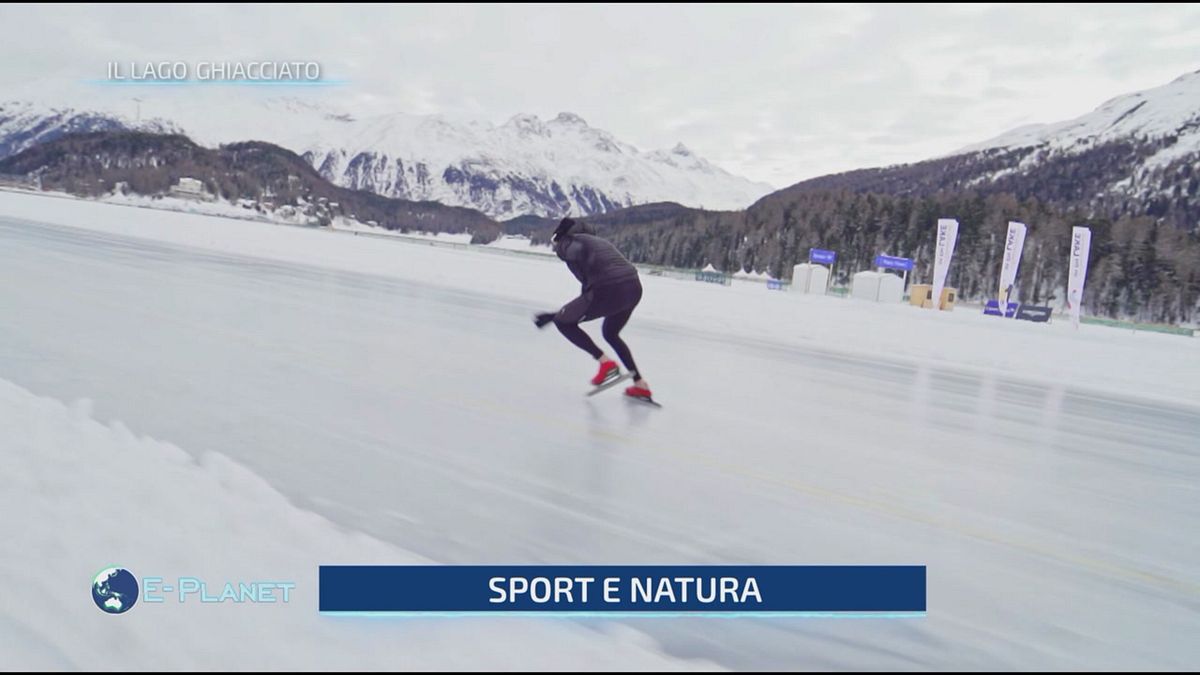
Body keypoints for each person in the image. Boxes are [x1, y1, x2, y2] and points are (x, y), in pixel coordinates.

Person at [534, 217, 653, 402]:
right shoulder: (599, 242)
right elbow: (587, 292)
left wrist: (560, 243)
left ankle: (606, 363)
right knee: (611, 333)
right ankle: (640, 384)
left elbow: (588, 284)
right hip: (633, 287)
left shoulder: (570, 243)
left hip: (609, 288)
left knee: (563, 323)